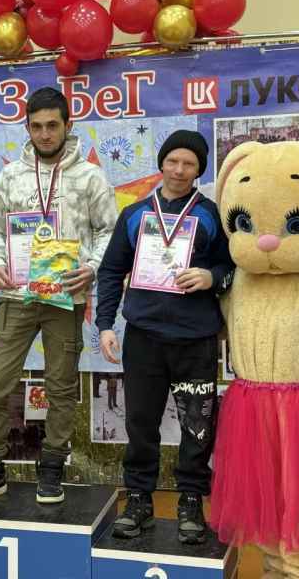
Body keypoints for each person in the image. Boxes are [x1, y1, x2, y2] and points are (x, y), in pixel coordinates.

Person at [0, 87, 117, 505]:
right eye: (37, 126)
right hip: (18, 294)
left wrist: (92, 267)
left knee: (61, 388)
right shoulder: (12, 175)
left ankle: (52, 467)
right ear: (27, 127)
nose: (45, 134)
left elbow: (109, 231)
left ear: (67, 125)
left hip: (66, 297)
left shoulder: (91, 176)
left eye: (52, 126)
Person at [95, 130, 233, 543]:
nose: (179, 169)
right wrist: (105, 324)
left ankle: (191, 499)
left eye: (189, 163)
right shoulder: (135, 214)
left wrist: (211, 276)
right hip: (145, 338)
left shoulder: (211, 215)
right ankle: (139, 498)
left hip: (195, 339)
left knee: (197, 425)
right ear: (162, 163)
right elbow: (110, 271)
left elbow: (232, 266)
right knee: (140, 422)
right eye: (173, 161)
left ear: (199, 169)